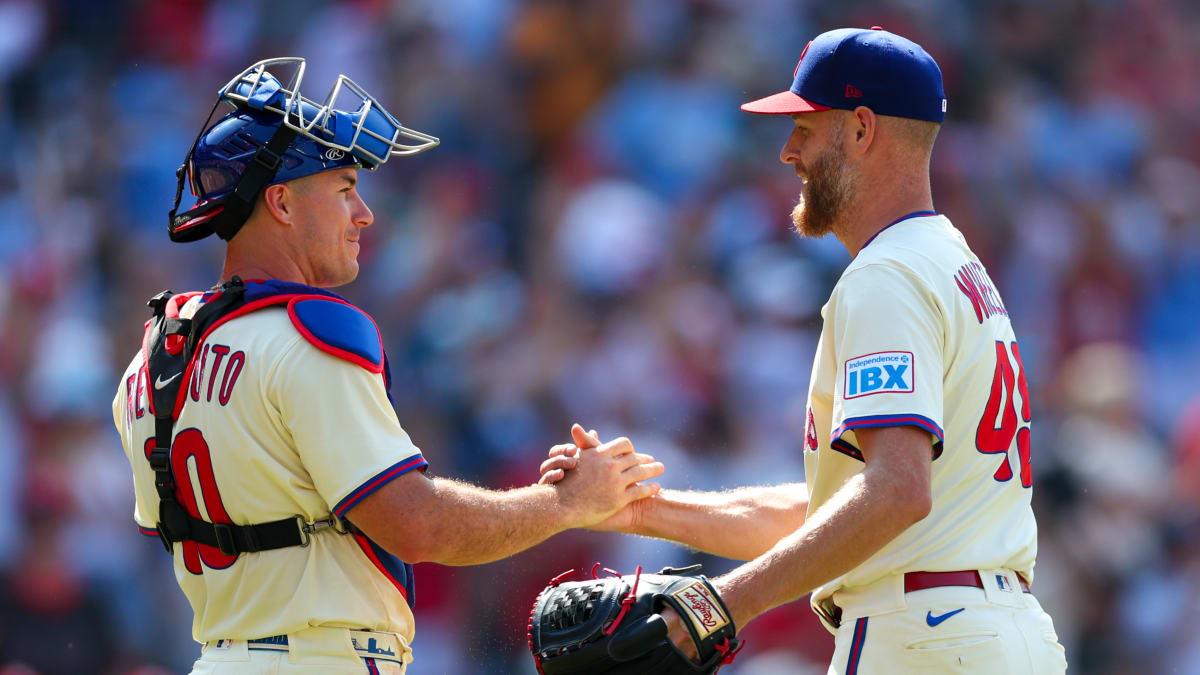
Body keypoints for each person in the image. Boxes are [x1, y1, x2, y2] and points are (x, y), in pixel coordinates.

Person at [111, 58, 663, 675]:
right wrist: (566, 504)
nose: (364, 214)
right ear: (282, 203)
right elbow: (418, 526)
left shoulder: (154, 355)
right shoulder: (308, 334)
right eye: (345, 188)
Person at [541, 27, 1067, 674]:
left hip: (922, 636)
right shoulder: (951, 263)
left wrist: (720, 605)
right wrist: (643, 507)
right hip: (993, 631)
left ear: (861, 130)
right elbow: (839, 507)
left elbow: (896, 492)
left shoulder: (888, 274)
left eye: (805, 128)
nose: (788, 152)